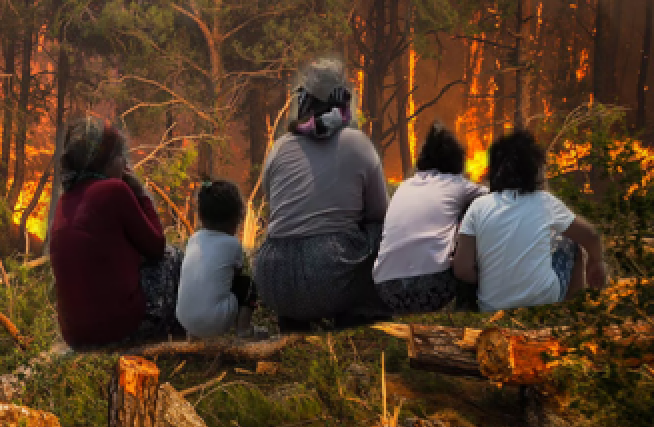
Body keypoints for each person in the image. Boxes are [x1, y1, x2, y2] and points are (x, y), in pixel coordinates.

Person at [253, 58, 391, 330]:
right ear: (343, 100)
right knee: (381, 231)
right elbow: (380, 214)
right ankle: (361, 316)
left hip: (274, 279)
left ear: (302, 100)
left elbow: (275, 205)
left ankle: (294, 322)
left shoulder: (280, 147)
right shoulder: (358, 144)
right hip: (328, 275)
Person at [49, 117, 181, 348]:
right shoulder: (114, 190)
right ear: (107, 161)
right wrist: (141, 193)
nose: (125, 164)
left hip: (75, 337)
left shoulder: (65, 200)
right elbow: (156, 245)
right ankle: (180, 337)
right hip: (116, 330)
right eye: (122, 157)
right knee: (173, 257)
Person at [453, 130, 608, 311]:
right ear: (535, 170)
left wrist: (489, 275)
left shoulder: (477, 207)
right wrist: (596, 262)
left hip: (491, 307)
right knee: (570, 244)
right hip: (543, 302)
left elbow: (462, 269)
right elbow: (591, 235)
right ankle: (572, 310)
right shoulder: (544, 201)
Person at [373, 123, 487, 315]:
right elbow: (494, 199)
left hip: (386, 290)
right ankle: (467, 305)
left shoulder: (405, 185)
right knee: (472, 214)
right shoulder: (458, 185)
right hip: (432, 287)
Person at [176, 180, 259, 339]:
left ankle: (192, 337)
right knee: (247, 285)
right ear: (236, 218)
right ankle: (244, 330)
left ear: (201, 216)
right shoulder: (232, 244)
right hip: (214, 323)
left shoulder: (194, 239)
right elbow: (236, 273)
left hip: (183, 319)